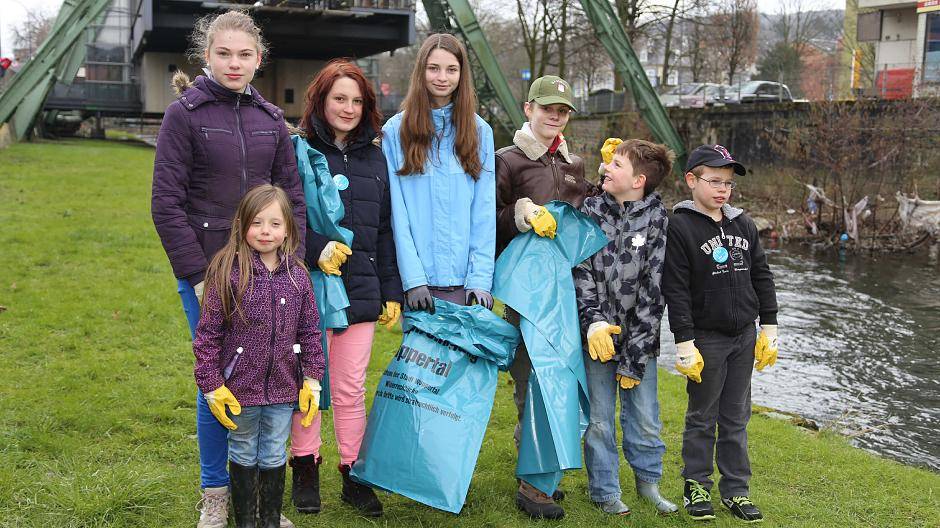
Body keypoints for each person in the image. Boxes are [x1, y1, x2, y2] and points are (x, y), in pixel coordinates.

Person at [149, 10, 304, 528]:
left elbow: (292, 196)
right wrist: (196, 273)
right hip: (209, 274)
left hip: (269, 271)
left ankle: (261, 502)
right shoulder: (184, 115)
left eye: (244, 55)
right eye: (223, 54)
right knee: (218, 378)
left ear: (259, 60)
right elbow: (166, 202)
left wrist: (291, 265)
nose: (234, 63)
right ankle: (216, 492)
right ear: (206, 56)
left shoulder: (270, 122)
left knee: (270, 377)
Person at [288, 59, 402, 517]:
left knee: (353, 387)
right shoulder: (296, 151)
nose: (348, 107)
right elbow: (284, 218)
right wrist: (316, 247)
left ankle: (353, 473)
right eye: (339, 98)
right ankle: (305, 466)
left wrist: (390, 290)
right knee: (308, 382)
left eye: (357, 100)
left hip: (360, 292)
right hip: (309, 288)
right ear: (321, 99)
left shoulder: (377, 158)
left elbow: (386, 230)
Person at [193, 184, 325, 528]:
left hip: (283, 387)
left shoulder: (298, 277)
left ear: (288, 230)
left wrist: (312, 380)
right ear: (242, 225)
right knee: (242, 449)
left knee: (273, 452)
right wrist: (211, 384)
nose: (266, 231)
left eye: (275, 224)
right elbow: (208, 334)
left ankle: (268, 517)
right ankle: (245, 520)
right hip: (240, 390)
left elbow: (310, 330)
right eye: (257, 223)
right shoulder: (226, 270)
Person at [493, 74, 594, 519]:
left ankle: (545, 469)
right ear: (528, 108)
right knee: (532, 379)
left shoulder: (576, 164)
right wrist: (521, 213)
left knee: (563, 379)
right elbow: (487, 224)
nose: (555, 115)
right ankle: (532, 483)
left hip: (568, 289)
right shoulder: (507, 161)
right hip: (526, 292)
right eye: (547, 107)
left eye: (563, 110)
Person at [662, 145, 779, 523]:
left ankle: (736, 491)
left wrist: (769, 326)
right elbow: (675, 288)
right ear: (691, 180)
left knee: (736, 417)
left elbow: (761, 275)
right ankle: (696, 484)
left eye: (727, 183)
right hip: (706, 339)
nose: (722, 189)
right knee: (702, 416)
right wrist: (684, 341)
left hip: (744, 336)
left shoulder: (743, 224)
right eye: (714, 181)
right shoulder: (679, 226)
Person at [573, 138, 678, 517]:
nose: (606, 168)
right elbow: (581, 271)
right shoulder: (590, 210)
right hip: (596, 340)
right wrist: (592, 323)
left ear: (639, 180)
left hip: (640, 344)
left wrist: (635, 356)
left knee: (645, 419)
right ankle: (604, 491)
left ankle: (648, 482)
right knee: (599, 421)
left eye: (617, 164)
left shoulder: (658, 220)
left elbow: (654, 291)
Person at [381, 33, 495, 311]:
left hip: (466, 285)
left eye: (451, 69)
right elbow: (397, 212)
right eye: (434, 68)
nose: (442, 77)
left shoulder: (480, 132)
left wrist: (479, 279)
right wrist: (413, 279)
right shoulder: (396, 131)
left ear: (461, 74)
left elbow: (484, 211)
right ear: (421, 71)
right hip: (420, 288)